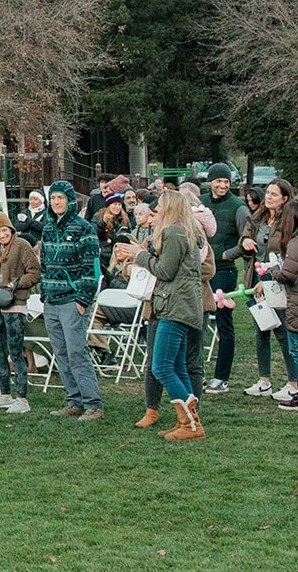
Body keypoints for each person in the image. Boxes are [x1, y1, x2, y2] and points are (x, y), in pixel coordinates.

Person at [119, 189, 208, 440]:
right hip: (181, 305)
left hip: (174, 307)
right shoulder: (185, 232)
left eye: (159, 206)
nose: (155, 210)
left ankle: (190, 425)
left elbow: (165, 271)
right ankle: (189, 420)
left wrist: (140, 255)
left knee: (161, 367)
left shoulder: (174, 232)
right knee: (177, 367)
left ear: (170, 209)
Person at [40, 180, 103, 421]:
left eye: (61, 198)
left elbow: (91, 268)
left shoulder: (83, 228)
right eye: (53, 198)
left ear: (70, 201)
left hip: (72, 299)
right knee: (61, 352)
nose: (56, 202)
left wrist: (83, 299)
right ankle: (73, 399)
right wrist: (45, 293)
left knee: (77, 351)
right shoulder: (47, 229)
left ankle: (93, 403)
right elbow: (44, 263)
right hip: (51, 300)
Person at [241, 179, 296, 398]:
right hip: (256, 279)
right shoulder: (259, 217)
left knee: (283, 332)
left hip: (277, 281)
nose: (269, 197)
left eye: (274, 194)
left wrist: (269, 278)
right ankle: (264, 381)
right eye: (268, 193)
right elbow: (246, 233)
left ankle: (293, 382)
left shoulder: (290, 220)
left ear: (285, 197)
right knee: (260, 330)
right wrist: (245, 240)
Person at [0, 211, 39, 413]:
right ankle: (5, 394)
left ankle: (22, 398)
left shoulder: (22, 245)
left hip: (15, 305)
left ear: (11, 229)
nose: (1, 235)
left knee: (15, 351)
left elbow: (35, 272)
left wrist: (16, 284)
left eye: (4, 230)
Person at [200, 163, 246, 395]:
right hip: (200, 271)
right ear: (211, 181)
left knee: (223, 324)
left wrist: (227, 254)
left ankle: (222, 377)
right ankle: (195, 371)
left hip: (225, 270)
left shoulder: (238, 206)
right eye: (218, 181)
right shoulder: (201, 202)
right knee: (197, 321)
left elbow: (247, 237)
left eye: (226, 182)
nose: (222, 185)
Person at [265, 198, 298, 411]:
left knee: (296, 350)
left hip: (296, 301)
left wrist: (273, 269)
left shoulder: (295, 242)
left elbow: (287, 274)